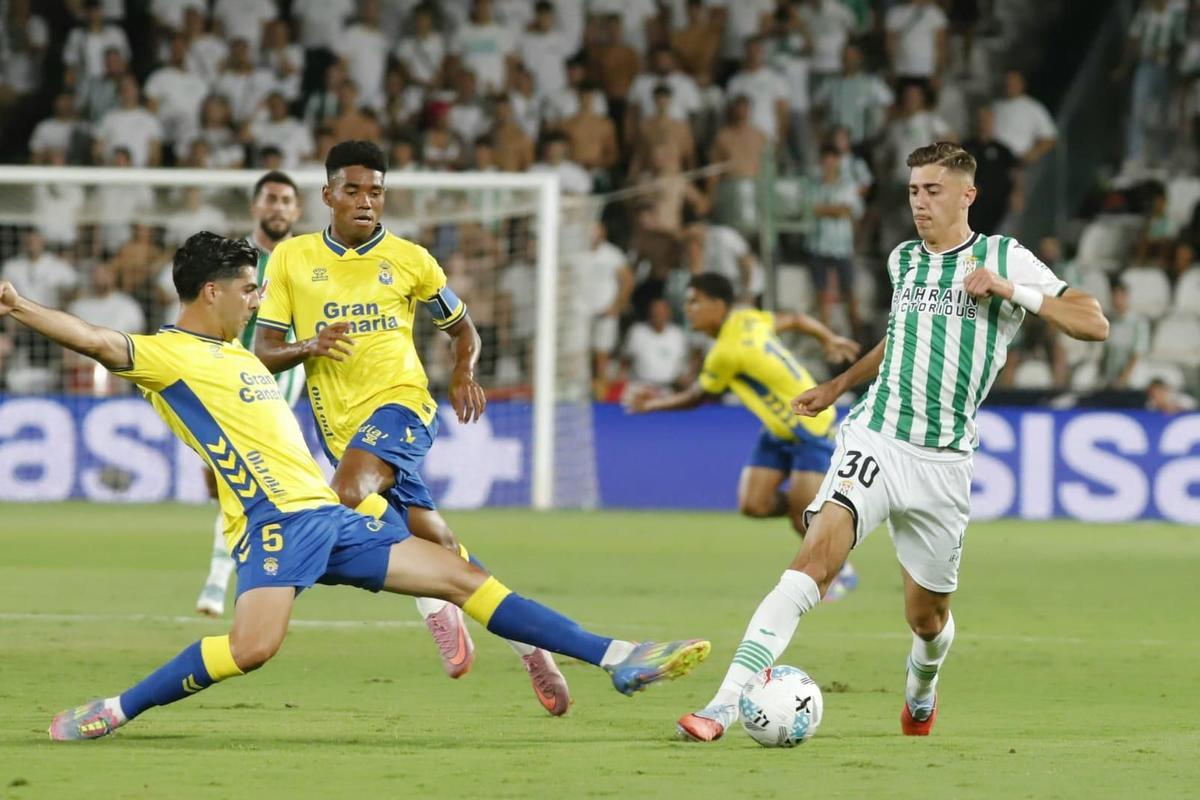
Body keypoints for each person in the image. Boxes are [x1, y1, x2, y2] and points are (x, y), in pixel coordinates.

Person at [0, 233, 710, 741]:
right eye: (248, 288)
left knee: (462, 577)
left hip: (328, 516)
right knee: (252, 650)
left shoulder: (240, 354)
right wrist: (19, 305)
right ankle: (116, 710)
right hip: (276, 524)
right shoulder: (168, 356)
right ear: (211, 290)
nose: (255, 301)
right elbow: (95, 339)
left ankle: (618, 658)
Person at [675, 142, 1109, 743]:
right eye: (913, 191)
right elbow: (901, 337)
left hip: (944, 463)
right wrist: (838, 384)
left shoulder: (1002, 257)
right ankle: (724, 703)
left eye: (933, 191)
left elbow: (1093, 322)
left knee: (926, 617)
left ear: (967, 194)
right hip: (876, 438)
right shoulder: (905, 259)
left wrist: (1014, 291)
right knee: (814, 561)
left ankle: (921, 690)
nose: (920, 204)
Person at [251, 140, 572, 716]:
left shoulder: (411, 259)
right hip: (341, 429)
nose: (366, 201)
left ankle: (431, 605)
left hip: (403, 406)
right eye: (353, 190)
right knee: (439, 546)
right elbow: (264, 350)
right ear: (327, 196)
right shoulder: (292, 259)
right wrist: (310, 345)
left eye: (375, 191)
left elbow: (464, 329)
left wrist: (462, 372)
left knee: (345, 495)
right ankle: (532, 648)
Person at [628, 272, 860, 568]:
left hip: (809, 427)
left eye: (695, 302)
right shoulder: (748, 319)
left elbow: (697, 397)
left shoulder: (725, 352)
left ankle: (841, 564)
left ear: (718, 305)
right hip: (777, 430)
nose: (688, 310)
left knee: (803, 523)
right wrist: (829, 338)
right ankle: (819, 512)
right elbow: (797, 320)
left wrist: (652, 406)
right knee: (754, 505)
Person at [196, 171, 305, 618]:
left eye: (286, 200)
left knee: (243, 479)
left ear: (296, 210)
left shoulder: (308, 259)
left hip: (286, 380)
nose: (278, 207)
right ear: (256, 207)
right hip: (234, 377)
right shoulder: (234, 261)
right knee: (229, 480)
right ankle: (249, 572)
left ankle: (222, 579)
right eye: (271, 199)